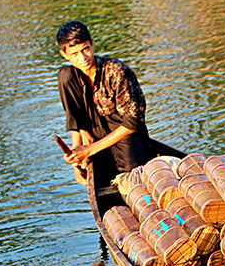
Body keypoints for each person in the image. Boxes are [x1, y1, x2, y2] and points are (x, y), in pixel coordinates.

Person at [56, 21, 154, 188]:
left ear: (92, 43)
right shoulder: (70, 77)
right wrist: (76, 158)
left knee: (132, 179)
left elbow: (132, 122)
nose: (83, 58)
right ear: (65, 55)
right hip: (93, 132)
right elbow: (75, 118)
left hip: (123, 131)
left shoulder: (116, 71)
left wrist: (90, 150)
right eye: (75, 54)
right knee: (64, 74)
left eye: (85, 49)